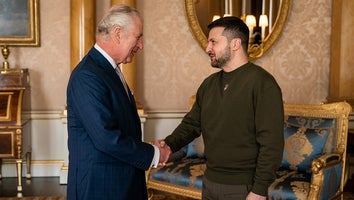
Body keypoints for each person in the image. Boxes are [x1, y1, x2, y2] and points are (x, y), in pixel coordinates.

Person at [158, 16, 284, 200]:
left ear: (235, 44)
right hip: (209, 182)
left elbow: (271, 143)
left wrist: (259, 190)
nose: (208, 48)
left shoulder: (263, 83)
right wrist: (168, 145)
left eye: (213, 42)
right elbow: (191, 124)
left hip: (244, 187)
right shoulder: (208, 84)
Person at [66, 5, 169, 200]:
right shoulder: (87, 75)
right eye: (138, 37)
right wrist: (154, 154)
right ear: (118, 33)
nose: (141, 45)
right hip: (100, 188)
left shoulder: (108, 70)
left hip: (119, 183)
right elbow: (106, 138)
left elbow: (121, 127)